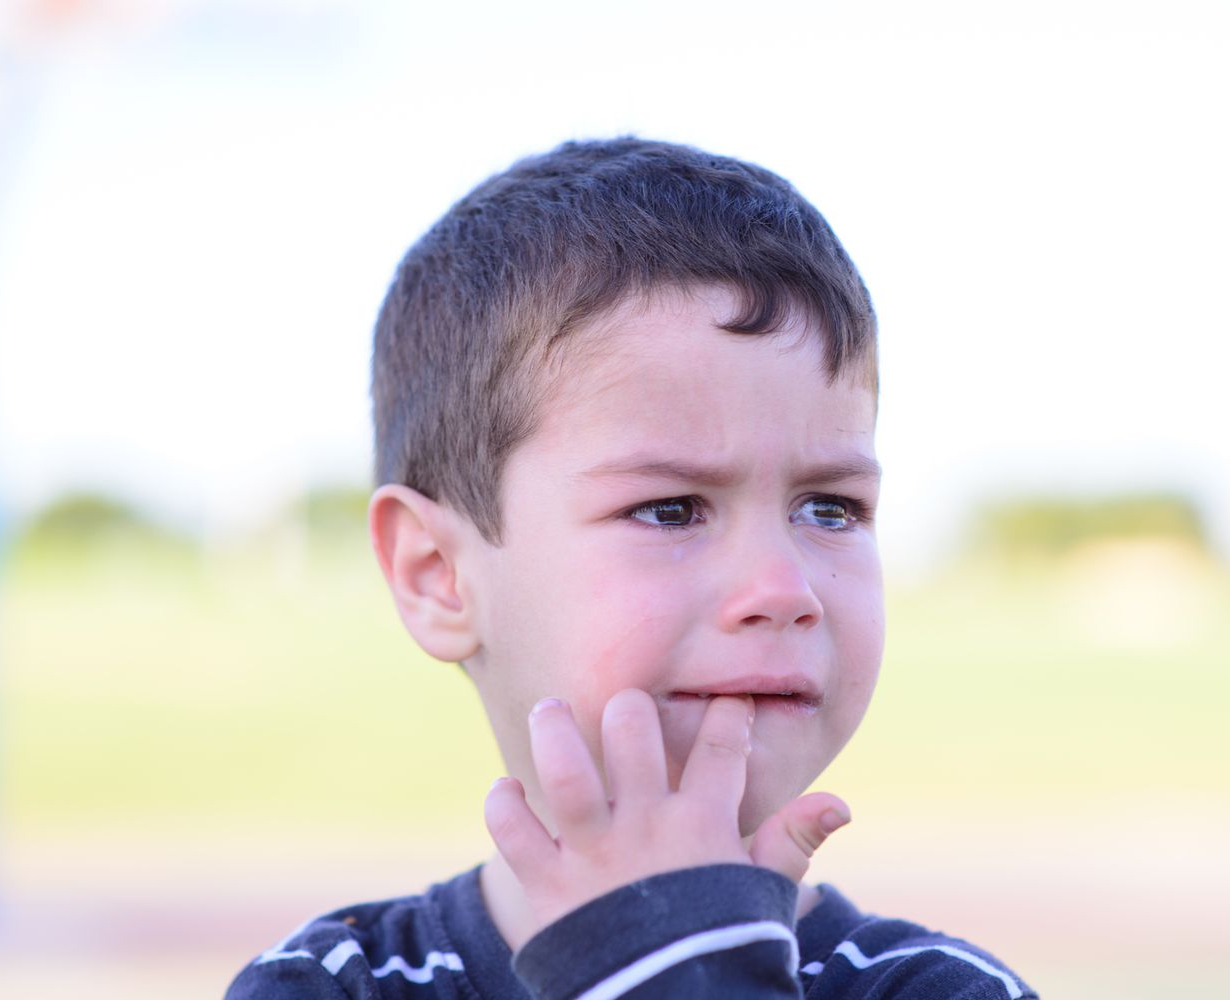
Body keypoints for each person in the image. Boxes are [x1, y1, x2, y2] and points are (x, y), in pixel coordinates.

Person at [226, 138, 1037, 999]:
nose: (783, 589)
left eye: (829, 508)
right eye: (669, 509)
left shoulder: (938, 990)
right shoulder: (332, 986)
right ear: (438, 575)